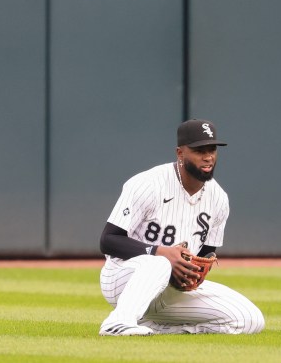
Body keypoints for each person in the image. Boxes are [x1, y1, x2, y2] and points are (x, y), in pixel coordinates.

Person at [98, 118, 265, 336]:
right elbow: (108, 240)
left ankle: (157, 329)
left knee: (250, 319)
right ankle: (118, 322)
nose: (208, 156)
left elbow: (206, 253)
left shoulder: (219, 199)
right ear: (180, 153)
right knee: (159, 264)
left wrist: (192, 272)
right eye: (199, 150)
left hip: (172, 290)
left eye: (212, 149)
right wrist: (159, 252)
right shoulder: (148, 184)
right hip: (123, 278)